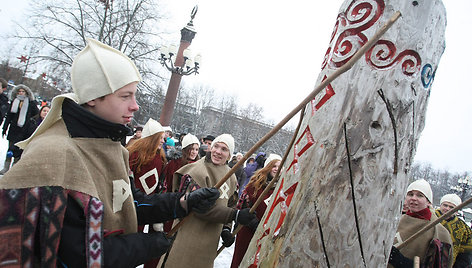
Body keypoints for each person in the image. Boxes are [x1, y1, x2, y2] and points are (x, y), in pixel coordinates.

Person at [0, 38, 220, 267]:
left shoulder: (110, 145)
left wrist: (183, 202)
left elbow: (130, 203)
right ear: (94, 97)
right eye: (126, 96)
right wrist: (145, 245)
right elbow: (74, 255)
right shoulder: (55, 153)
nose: (135, 105)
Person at [164, 134, 259, 268]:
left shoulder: (231, 176)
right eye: (216, 146)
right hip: (187, 236)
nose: (218, 152)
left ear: (230, 154)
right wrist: (234, 215)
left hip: (209, 243)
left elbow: (230, 204)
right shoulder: (197, 170)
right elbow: (198, 207)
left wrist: (226, 229)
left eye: (224, 149)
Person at [231, 153, 282, 268]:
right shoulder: (255, 185)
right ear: (267, 167)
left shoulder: (281, 189)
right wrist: (252, 221)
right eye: (274, 166)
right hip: (248, 232)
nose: (277, 169)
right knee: (241, 261)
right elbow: (242, 206)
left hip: (267, 236)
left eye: (280, 166)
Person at [388, 179, 453, 268]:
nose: (413, 198)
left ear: (428, 202)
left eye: (420, 195)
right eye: (410, 194)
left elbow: (439, 264)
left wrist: (402, 262)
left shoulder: (439, 232)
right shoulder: (396, 221)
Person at [162, 133, 200, 233]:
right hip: (171, 205)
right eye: (191, 149)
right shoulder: (174, 164)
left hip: (187, 209)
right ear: (185, 149)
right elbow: (167, 184)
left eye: (196, 149)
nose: (194, 152)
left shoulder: (198, 166)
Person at [0, 84, 39, 173]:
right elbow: (9, 116)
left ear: (27, 93)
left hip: (24, 131)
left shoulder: (31, 103)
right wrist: (4, 128)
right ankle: (6, 167)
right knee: (10, 148)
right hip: (13, 129)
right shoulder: (14, 101)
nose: (21, 93)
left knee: (19, 150)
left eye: (23, 91)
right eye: (19, 91)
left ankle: (14, 168)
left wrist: (30, 123)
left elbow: (36, 115)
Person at [435, 194, 472, 267]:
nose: (447, 209)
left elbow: (465, 254)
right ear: (440, 205)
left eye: (451, 207)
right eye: (445, 205)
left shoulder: (464, 229)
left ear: (457, 210)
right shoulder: (429, 219)